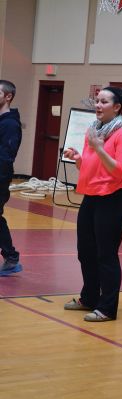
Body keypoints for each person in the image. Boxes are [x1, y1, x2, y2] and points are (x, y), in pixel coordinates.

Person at [64, 86, 122, 322]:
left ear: (116, 107)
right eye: (97, 101)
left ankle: (107, 308)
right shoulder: (94, 130)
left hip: (113, 199)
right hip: (91, 198)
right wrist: (79, 159)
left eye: (104, 102)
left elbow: (120, 171)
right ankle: (89, 298)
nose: (98, 105)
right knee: (85, 252)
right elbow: (90, 166)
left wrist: (98, 148)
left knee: (106, 255)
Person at [0, 80, 23, 277]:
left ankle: (11, 257)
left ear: (8, 97)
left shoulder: (9, 124)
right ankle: (11, 256)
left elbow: (6, 156)